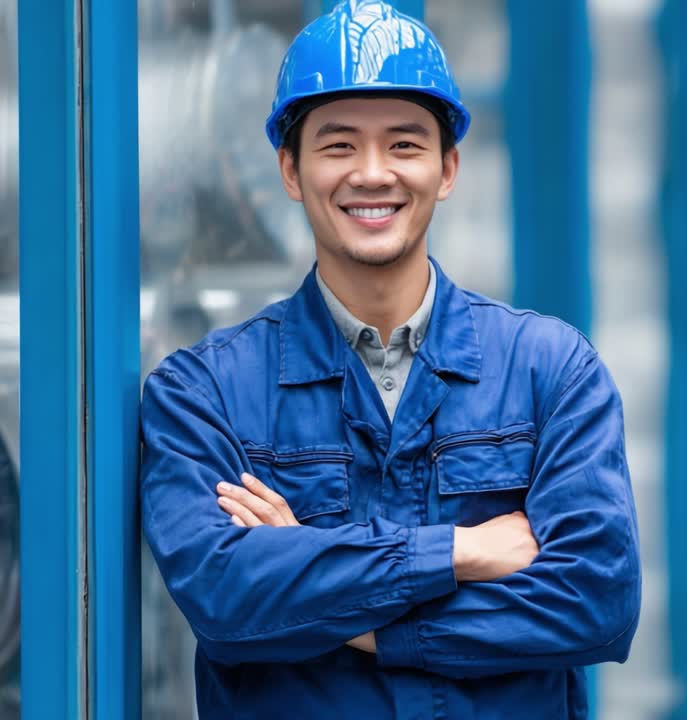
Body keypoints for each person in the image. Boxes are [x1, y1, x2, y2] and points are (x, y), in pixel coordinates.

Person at [139, 2, 641, 717]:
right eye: (338, 146)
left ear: (447, 169)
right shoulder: (204, 392)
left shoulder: (551, 372)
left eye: (404, 145)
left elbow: (596, 601)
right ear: (290, 168)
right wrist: (460, 553)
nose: (372, 175)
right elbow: (226, 597)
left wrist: (332, 595)